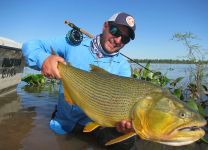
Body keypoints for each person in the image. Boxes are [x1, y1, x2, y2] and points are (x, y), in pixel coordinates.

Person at [22, 12, 136, 149]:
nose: (118, 40)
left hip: (97, 128)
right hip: (63, 125)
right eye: (115, 31)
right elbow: (31, 45)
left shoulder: (123, 67)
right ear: (105, 26)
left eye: (125, 39)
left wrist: (123, 127)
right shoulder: (73, 44)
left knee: (128, 142)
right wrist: (44, 59)